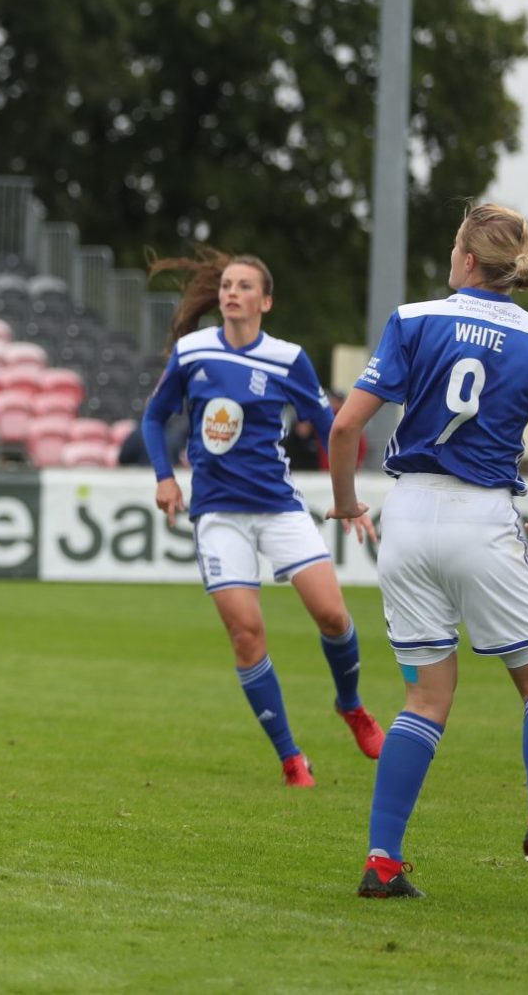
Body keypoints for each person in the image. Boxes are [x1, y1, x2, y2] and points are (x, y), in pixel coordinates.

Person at [328, 205, 528, 899]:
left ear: (468, 260)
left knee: (425, 696)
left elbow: (347, 425)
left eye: (454, 246)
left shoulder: (413, 318)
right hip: (483, 518)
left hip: (408, 516)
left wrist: (348, 501)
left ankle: (383, 861)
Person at [141, 249, 383, 790]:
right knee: (247, 635)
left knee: (333, 616)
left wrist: (347, 496)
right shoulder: (192, 351)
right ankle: (291, 757)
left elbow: (332, 426)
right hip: (218, 515)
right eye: (226, 284)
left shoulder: (288, 358)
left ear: (265, 301)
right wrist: (164, 476)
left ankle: (351, 706)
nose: (231, 292)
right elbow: (155, 417)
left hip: (278, 506)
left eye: (244, 286)